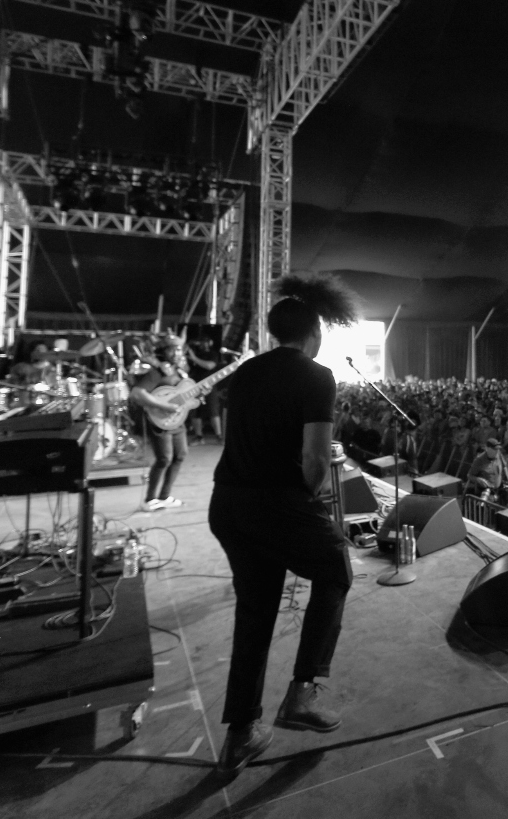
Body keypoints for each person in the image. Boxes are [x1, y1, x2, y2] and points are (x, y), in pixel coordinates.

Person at [208, 272, 361, 776]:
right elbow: (316, 461)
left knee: (255, 611)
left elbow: (243, 438)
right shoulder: (316, 376)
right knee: (335, 568)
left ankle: (242, 733)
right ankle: (304, 692)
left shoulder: (247, 372)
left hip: (229, 503)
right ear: (315, 332)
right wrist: (315, 494)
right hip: (276, 503)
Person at [131, 337, 192, 511]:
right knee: (164, 458)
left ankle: (165, 496)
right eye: (172, 349)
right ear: (163, 352)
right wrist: (164, 406)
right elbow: (137, 393)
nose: (176, 353)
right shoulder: (157, 371)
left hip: (177, 420)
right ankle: (150, 499)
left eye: (179, 349)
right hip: (160, 419)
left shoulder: (180, 370)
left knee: (180, 455)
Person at [184, 335, 225, 444]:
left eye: (203, 342)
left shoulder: (213, 354)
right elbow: (187, 369)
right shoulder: (194, 354)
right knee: (195, 411)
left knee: (213, 410)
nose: (201, 344)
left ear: (209, 343)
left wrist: (194, 358)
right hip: (194, 385)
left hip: (209, 385)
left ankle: (219, 437)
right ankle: (199, 437)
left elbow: (209, 366)